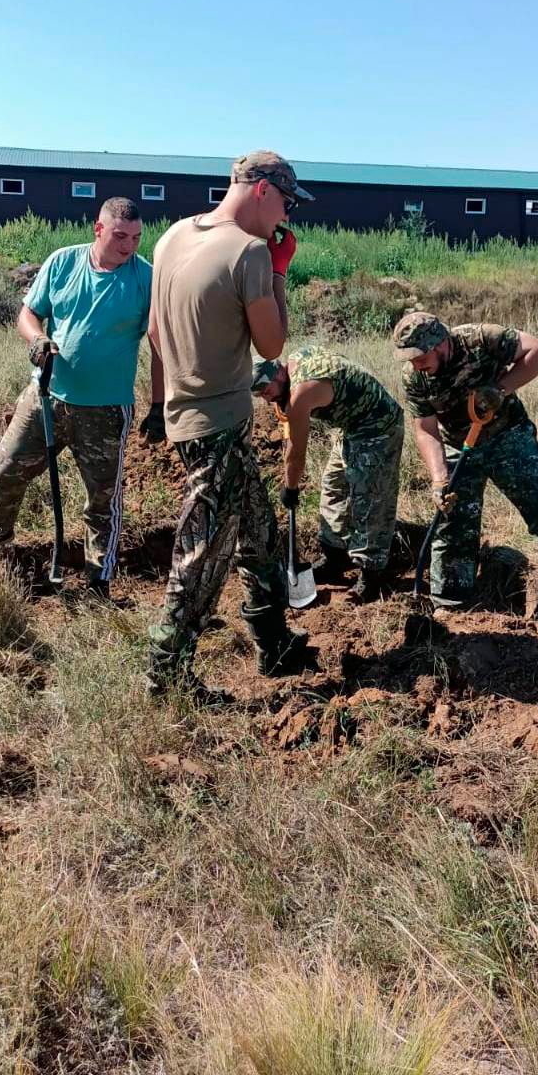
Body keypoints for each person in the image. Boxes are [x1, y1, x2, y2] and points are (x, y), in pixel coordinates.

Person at [146, 150, 315, 701]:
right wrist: (280, 272)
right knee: (202, 552)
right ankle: (165, 678)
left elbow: (153, 332)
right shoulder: (250, 253)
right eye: (285, 203)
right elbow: (272, 345)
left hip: (185, 414)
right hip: (218, 422)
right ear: (263, 190)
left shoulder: (172, 236)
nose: (285, 216)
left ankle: (275, 644)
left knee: (259, 535)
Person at [0, 197, 163, 600]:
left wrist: (159, 406)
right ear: (98, 229)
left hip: (106, 410)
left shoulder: (146, 279)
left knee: (103, 500)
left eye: (135, 238)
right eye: (120, 236)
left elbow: (159, 342)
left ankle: (99, 580)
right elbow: (28, 315)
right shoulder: (63, 262)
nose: (129, 246)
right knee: (7, 470)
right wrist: (37, 339)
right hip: (46, 397)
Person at [394, 311, 538, 612]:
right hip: (459, 447)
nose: (415, 364)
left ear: (440, 343)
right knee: (452, 522)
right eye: (410, 358)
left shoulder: (480, 338)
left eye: (419, 356)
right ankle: (451, 602)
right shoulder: (415, 377)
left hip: (508, 435)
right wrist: (439, 478)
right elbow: (425, 429)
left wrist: (500, 388)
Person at [252, 347, 404, 603]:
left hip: (379, 425)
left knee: (370, 498)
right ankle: (335, 557)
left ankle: (373, 572)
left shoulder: (301, 393)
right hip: (350, 425)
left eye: (267, 390)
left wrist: (290, 488)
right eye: (259, 394)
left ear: (279, 373)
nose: (266, 398)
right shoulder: (295, 364)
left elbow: (296, 452)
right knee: (333, 486)